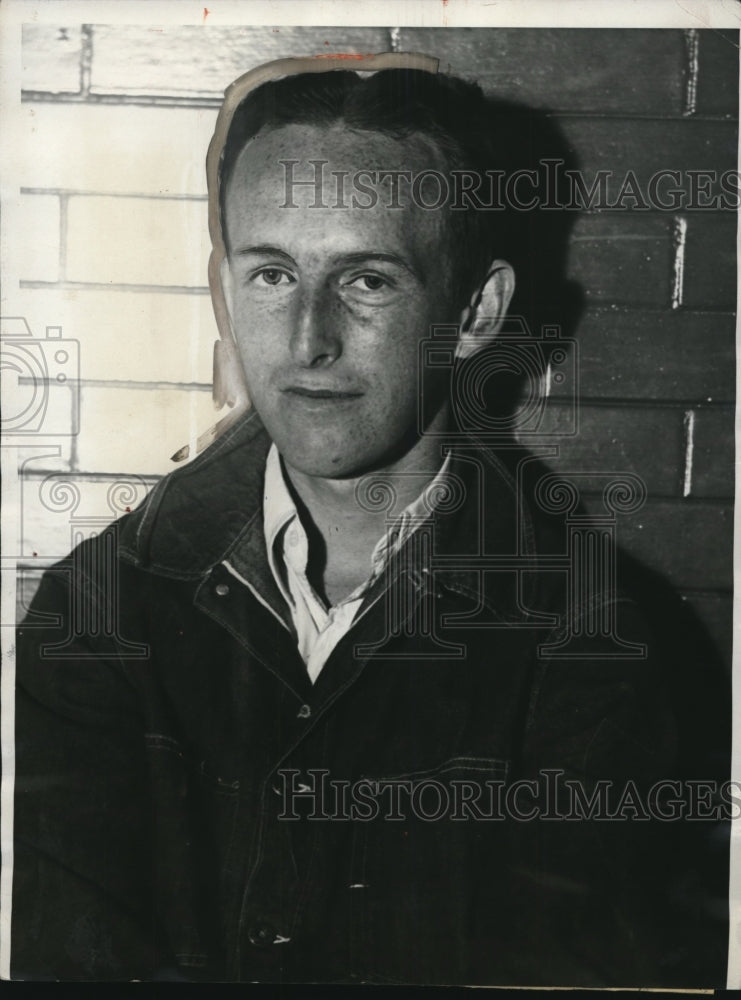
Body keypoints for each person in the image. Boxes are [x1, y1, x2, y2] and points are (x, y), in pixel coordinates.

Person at [11, 61, 729, 986]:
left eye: (368, 281)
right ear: (224, 293)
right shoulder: (95, 612)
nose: (307, 338)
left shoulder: (597, 644)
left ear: (475, 311)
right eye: (270, 273)